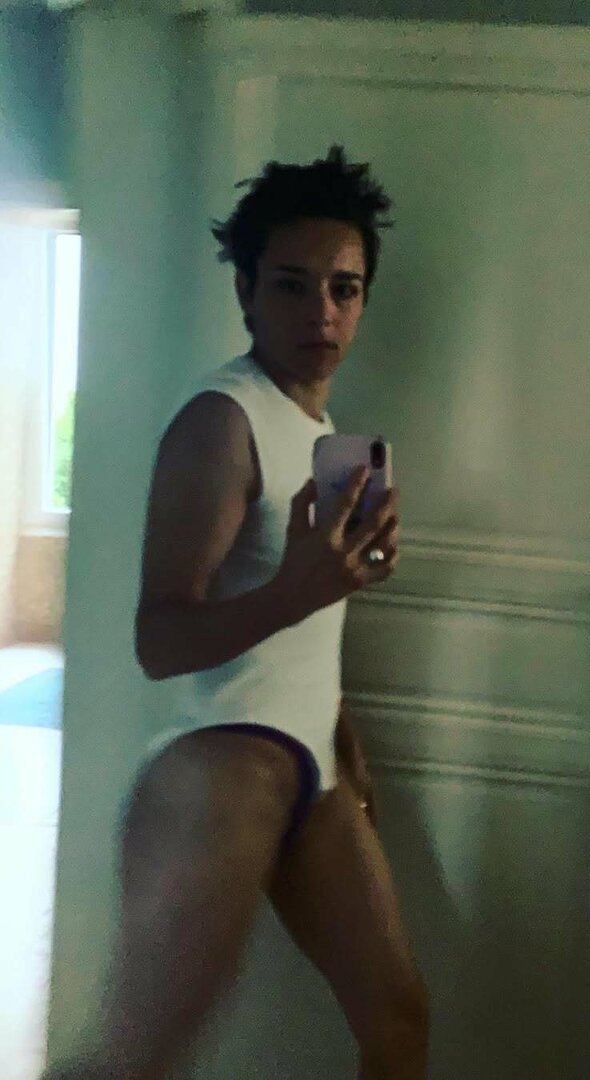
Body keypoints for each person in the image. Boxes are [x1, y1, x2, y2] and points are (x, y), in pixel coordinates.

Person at [45, 146, 429, 1080]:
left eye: (344, 288)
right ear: (247, 292)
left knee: (400, 1019)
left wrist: (344, 736)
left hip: (312, 774)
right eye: (292, 285)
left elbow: (303, 632)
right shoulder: (222, 420)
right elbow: (160, 637)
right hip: (219, 771)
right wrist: (300, 587)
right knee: (138, 1054)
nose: (321, 312)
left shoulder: (322, 435)